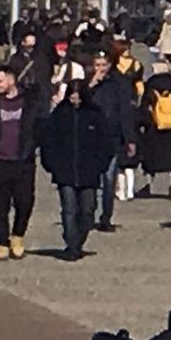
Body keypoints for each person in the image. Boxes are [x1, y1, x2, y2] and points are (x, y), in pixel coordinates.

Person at [0, 64, 48, 261]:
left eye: (0, 81)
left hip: (23, 160)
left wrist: (39, 146)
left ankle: (18, 235)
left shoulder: (30, 101)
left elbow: (41, 126)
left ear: (12, 80)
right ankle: (2, 242)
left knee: (25, 201)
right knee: (0, 205)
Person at [39, 79, 114, 261]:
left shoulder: (95, 115)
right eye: (72, 93)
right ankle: (72, 245)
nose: (75, 97)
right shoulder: (59, 115)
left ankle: (79, 239)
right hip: (65, 171)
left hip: (90, 171)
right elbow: (48, 141)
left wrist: (101, 165)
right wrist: (51, 164)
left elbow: (106, 143)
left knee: (88, 210)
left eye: (78, 93)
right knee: (69, 209)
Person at [87, 49, 137, 231]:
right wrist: (91, 85)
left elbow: (125, 112)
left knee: (109, 179)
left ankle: (106, 216)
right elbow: (77, 102)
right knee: (91, 179)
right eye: (97, 65)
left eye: (103, 65)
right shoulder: (87, 83)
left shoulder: (120, 83)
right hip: (90, 136)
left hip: (112, 137)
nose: (100, 69)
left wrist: (130, 138)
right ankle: (88, 212)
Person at [138, 61, 171, 201]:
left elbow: (144, 105)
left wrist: (145, 122)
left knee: (150, 157)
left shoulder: (151, 84)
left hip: (155, 127)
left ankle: (148, 184)